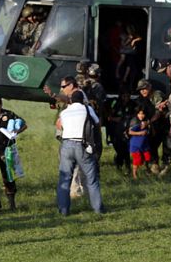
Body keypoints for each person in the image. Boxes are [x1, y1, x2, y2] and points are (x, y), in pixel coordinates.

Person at [52, 86, 105, 215]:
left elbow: (59, 125)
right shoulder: (87, 109)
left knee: (65, 179)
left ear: (71, 100)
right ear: (82, 100)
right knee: (91, 179)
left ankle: (64, 210)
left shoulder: (65, 111)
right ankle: (98, 209)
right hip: (82, 145)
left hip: (66, 145)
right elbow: (97, 123)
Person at [0, 96, 27, 211]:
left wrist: (16, 132)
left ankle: (12, 203)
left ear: (1, 105)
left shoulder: (9, 115)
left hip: (6, 150)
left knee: (8, 177)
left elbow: (24, 125)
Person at [136, 79, 169, 173]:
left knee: (166, 147)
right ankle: (154, 165)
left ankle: (165, 167)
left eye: (144, 88)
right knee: (152, 145)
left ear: (149, 87)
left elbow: (159, 113)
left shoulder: (157, 95)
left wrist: (148, 122)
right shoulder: (144, 98)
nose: (142, 91)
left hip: (165, 123)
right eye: (140, 89)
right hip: (155, 125)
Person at [105, 88, 133, 173]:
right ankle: (119, 164)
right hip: (115, 129)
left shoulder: (132, 104)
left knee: (126, 149)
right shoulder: (116, 103)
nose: (126, 97)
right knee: (119, 148)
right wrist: (114, 118)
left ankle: (127, 166)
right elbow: (109, 116)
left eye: (128, 95)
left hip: (127, 129)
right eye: (124, 95)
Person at [128, 108, 152, 180]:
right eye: (139, 114)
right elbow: (130, 132)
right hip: (136, 145)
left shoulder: (146, 122)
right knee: (137, 160)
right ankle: (134, 175)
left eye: (143, 114)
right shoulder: (135, 122)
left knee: (148, 157)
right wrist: (140, 133)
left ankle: (147, 170)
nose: (141, 115)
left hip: (144, 144)